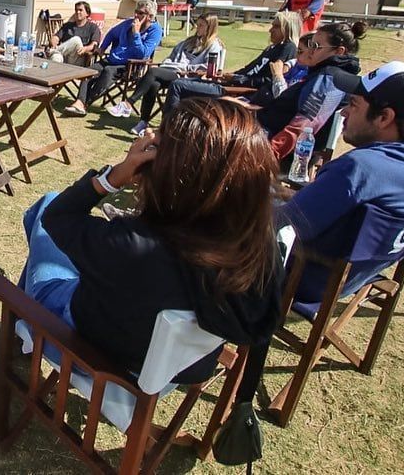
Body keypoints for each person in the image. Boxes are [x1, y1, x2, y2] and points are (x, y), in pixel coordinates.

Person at [19, 98, 283, 378]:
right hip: (180, 367)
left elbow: (57, 216)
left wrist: (114, 175)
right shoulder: (259, 244)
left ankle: (21, 318)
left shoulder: (133, 246)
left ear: (172, 169)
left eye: (161, 138)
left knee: (44, 206)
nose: (150, 136)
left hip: (90, 355)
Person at [280, 61, 404, 305]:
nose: (344, 111)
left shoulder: (360, 168)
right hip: (352, 277)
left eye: (354, 104)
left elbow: (280, 226)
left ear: (384, 117)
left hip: (299, 280)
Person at [253, 21, 366, 160]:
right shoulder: (322, 73)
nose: (309, 50)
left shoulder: (329, 80)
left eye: (316, 46)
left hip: (272, 145)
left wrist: (267, 156)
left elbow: (303, 126)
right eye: (311, 44)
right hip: (264, 131)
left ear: (339, 51)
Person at [162, 11, 301, 115]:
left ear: (287, 30)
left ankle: (167, 131)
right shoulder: (272, 48)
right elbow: (249, 69)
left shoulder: (288, 48)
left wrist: (235, 79)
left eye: (276, 27)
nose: (270, 30)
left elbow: (268, 81)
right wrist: (228, 75)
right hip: (231, 83)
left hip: (238, 92)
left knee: (178, 85)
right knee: (189, 82)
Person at [107, 13, 223, 135]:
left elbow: (209, 67)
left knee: (152, 71)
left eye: (201, 25)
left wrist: (185, 68)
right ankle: (143, 122)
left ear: (210, 27)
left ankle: (129, 103)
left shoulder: (214, 46)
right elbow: (171, 56)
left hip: (186, 76)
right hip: (171, 70)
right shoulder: (189, 42)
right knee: (153, 84)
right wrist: (167, 64)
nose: (197, 28)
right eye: (197, 24)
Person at [63, 0, 163, 117]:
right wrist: (102, 48)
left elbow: (143, 53)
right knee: (88, 71)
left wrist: (136, 33)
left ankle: (84, 103)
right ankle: (79, 102)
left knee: (108, 71)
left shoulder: (155, 31)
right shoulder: (128, 23)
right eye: (136, 11)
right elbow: (111, 33)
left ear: (150, 16)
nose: (136, 15)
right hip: (112, 59)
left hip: (130, 66)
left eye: (140, 13)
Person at [48, 1, 101, 65]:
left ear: (87, 13)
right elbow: (55, 37)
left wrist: (85, 48)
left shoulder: (93, 27)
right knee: (56, 57)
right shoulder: (67, 26)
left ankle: (51, 52)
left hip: (78, 57)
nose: (77, 12)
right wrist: (54, 43)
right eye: (76, 10)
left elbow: (94, 45)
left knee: (76, 40)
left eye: (80, 10)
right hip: (64, 55)